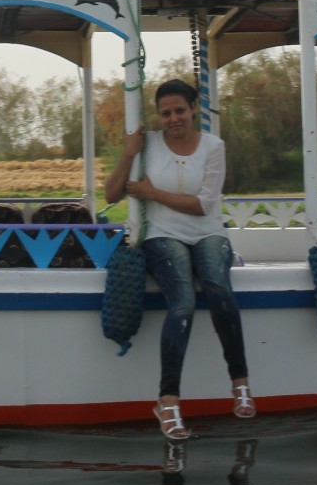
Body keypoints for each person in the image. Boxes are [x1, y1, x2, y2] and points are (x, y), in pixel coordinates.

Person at [104, 78, 253, 440]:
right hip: (163, 235)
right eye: (166, 113)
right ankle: (168, 401)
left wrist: (153, 192)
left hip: (208, 232)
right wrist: (128, 153)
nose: (173, 119)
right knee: (183, 302)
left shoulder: (214, 147)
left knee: (218, 287)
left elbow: (203, 205)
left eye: (180, 111)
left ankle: (240, 382)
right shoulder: (149, 144)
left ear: (193, 109)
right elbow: (111, 195)